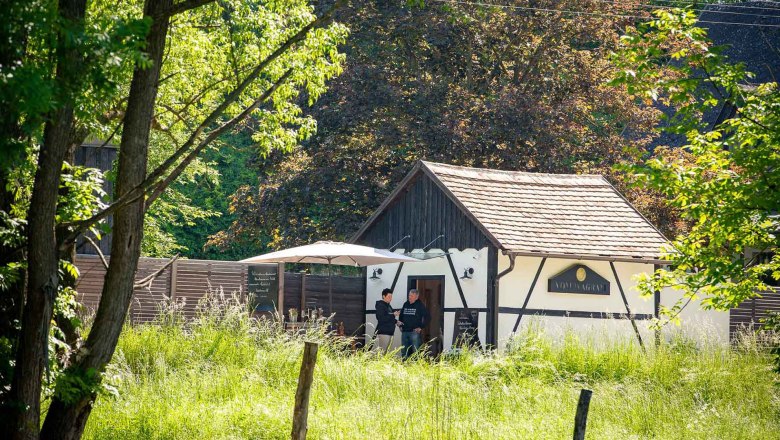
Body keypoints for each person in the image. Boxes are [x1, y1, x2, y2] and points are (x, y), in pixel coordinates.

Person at [399, 288, 429, 359]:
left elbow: (428, 317)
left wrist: (421, 327)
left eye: (412, 296)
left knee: (416, 352)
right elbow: (401, 315)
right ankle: (404, 367)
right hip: (405, 332)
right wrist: (400, 325)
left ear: (416, 297)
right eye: (409, 295)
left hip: (414, 333)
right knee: (404, 352)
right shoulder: (406, 304)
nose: (409, 297)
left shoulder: (420, 305)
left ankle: (415, 368)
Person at [374, 288, 399, 353]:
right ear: (383, 296)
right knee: (382, 352)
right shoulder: (380, 305)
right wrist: (393, 314)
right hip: (384, 332)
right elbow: (381, 318)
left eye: (391, 297)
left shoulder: (388, 306)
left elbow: (389, 318)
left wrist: (396, 321)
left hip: (389, 332)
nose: (391, 298)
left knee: (386, 353)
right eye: (389, 296)